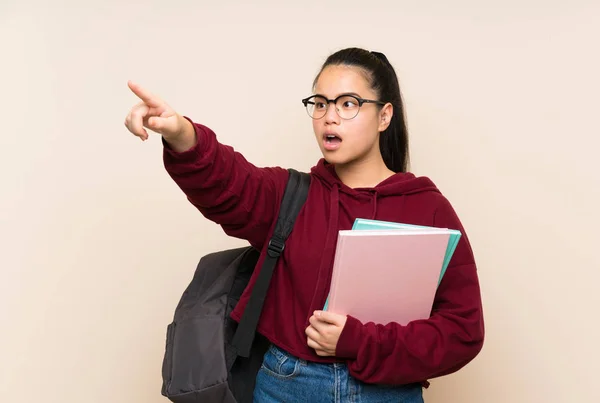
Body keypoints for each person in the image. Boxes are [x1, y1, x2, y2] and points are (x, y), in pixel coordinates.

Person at [124, 47, 484, 403]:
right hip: (286, 386)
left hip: (389, 395)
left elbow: (462, 330)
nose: (329, 117)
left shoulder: (428, 208)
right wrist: (180, 133)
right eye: (321, 103)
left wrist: (358, 342)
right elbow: (226, 179)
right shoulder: (289, 196)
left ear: (384, 116)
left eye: (348, 103)